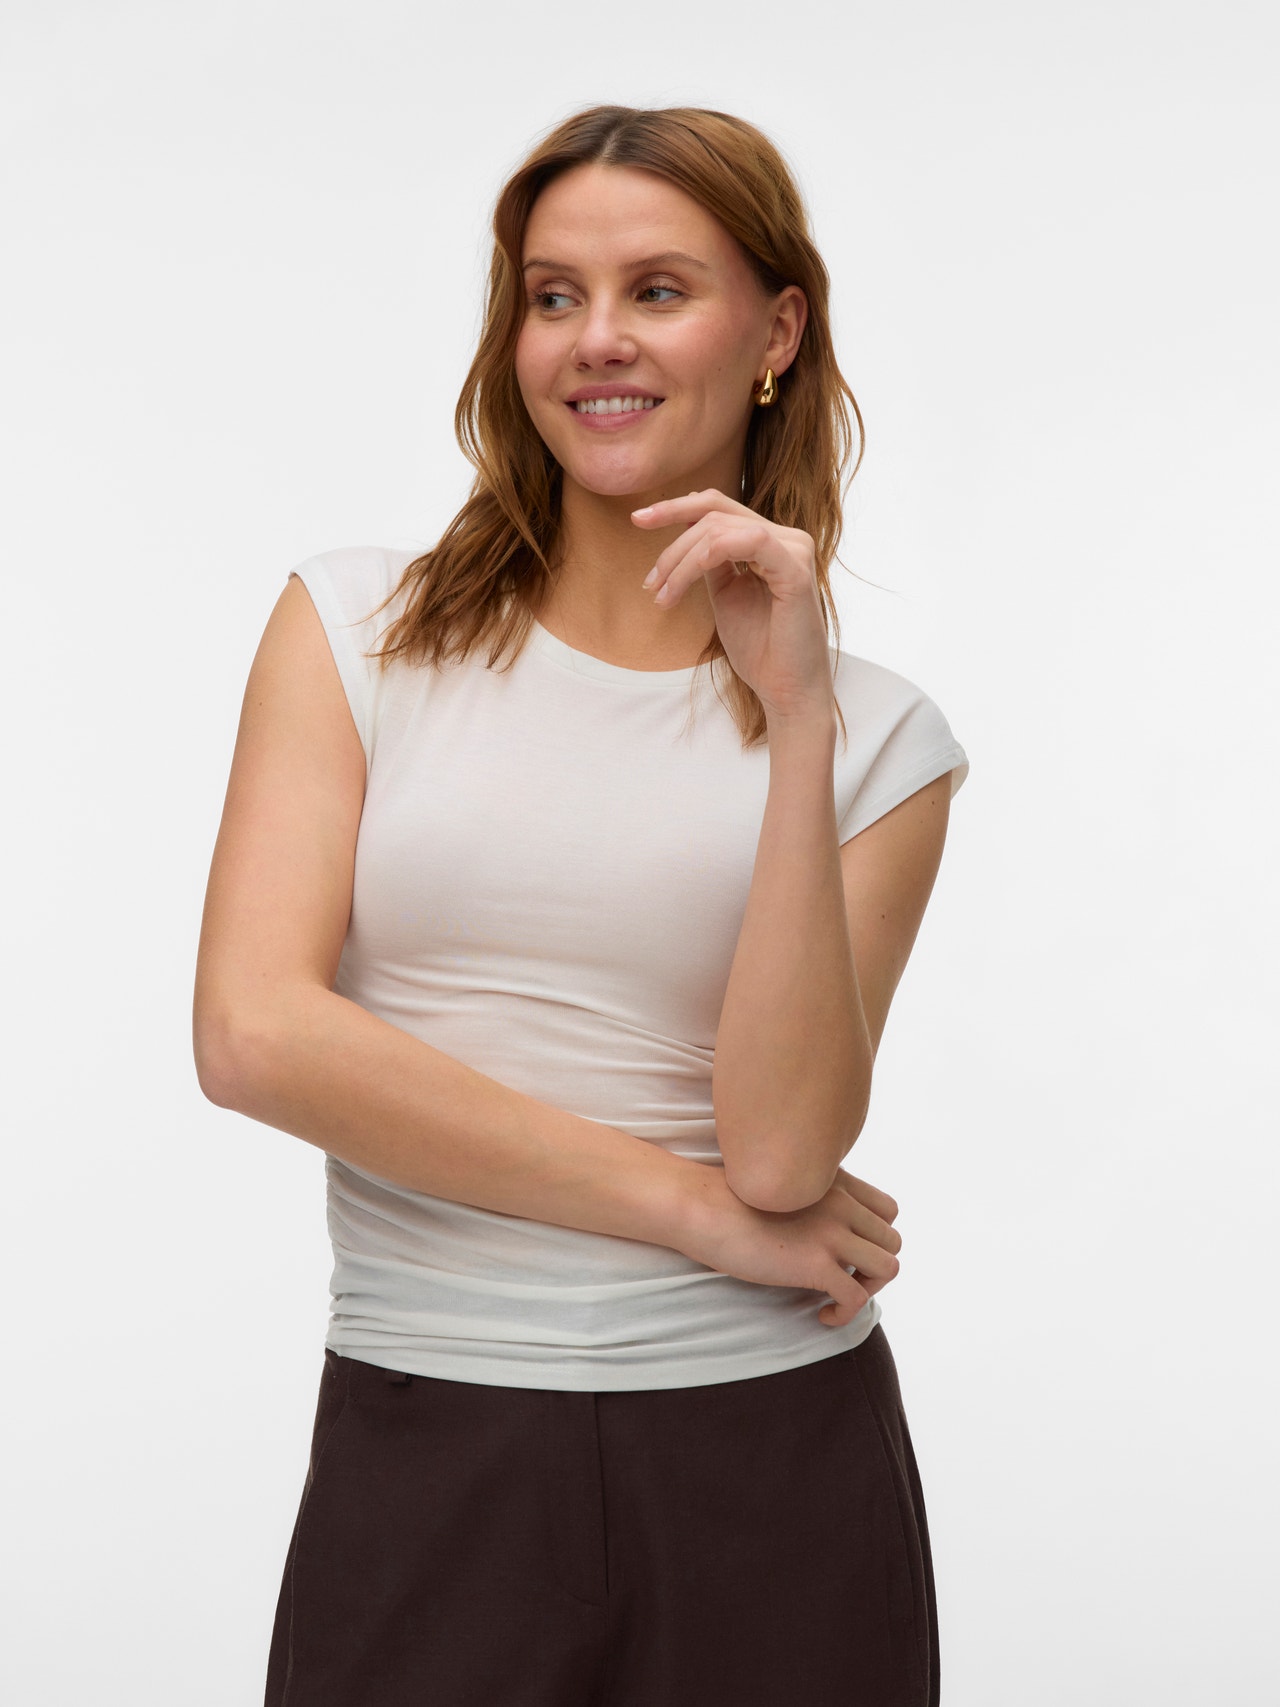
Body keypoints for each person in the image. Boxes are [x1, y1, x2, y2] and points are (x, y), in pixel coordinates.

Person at [194, 103, 969, 1707]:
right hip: (429, 1436)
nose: (596, 340)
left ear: (777, 333)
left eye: (657, 290)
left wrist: (796, 719)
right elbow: (256, 1037)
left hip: (773, 1462)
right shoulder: (356, 631)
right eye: (554, 296)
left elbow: (782, 1156)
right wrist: (694, 1216)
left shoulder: (880, 741)